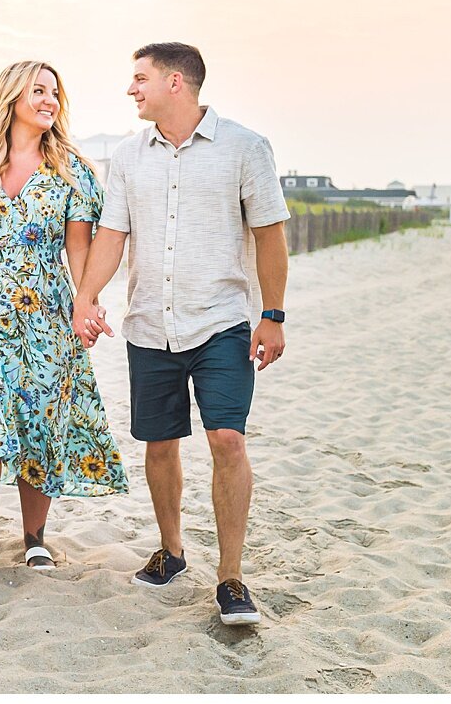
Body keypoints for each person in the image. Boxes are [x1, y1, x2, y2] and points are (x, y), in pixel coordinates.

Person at [74, 43, 289, 626]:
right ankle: (172, 551)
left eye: (139, 79)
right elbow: (113, 236)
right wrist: (86, 296)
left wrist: (274, 313)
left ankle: (232, 578)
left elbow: (269, 234)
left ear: (176, 82)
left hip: (221, 322)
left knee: (227, 440)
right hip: (149, 325)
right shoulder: (126, 156)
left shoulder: (245, 147)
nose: (131, 89)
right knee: (160, 442)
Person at [0, 60, 129, 572]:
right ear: (12, 97)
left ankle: (35, 537)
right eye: (38, 91)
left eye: (54, 93)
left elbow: (79, 251)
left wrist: (87, 303)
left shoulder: (72, 172)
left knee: (38, 417)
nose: (48, 101)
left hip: (46, 311)